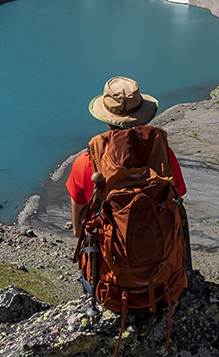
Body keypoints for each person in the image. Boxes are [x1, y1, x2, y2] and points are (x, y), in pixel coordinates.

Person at [67, 76, 186, 239]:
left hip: (109, 260)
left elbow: (78, 230)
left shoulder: (85, 163)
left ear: (107, 119)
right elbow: (177, 198)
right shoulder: (163, 156)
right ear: (142, 115)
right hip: (161, 258)